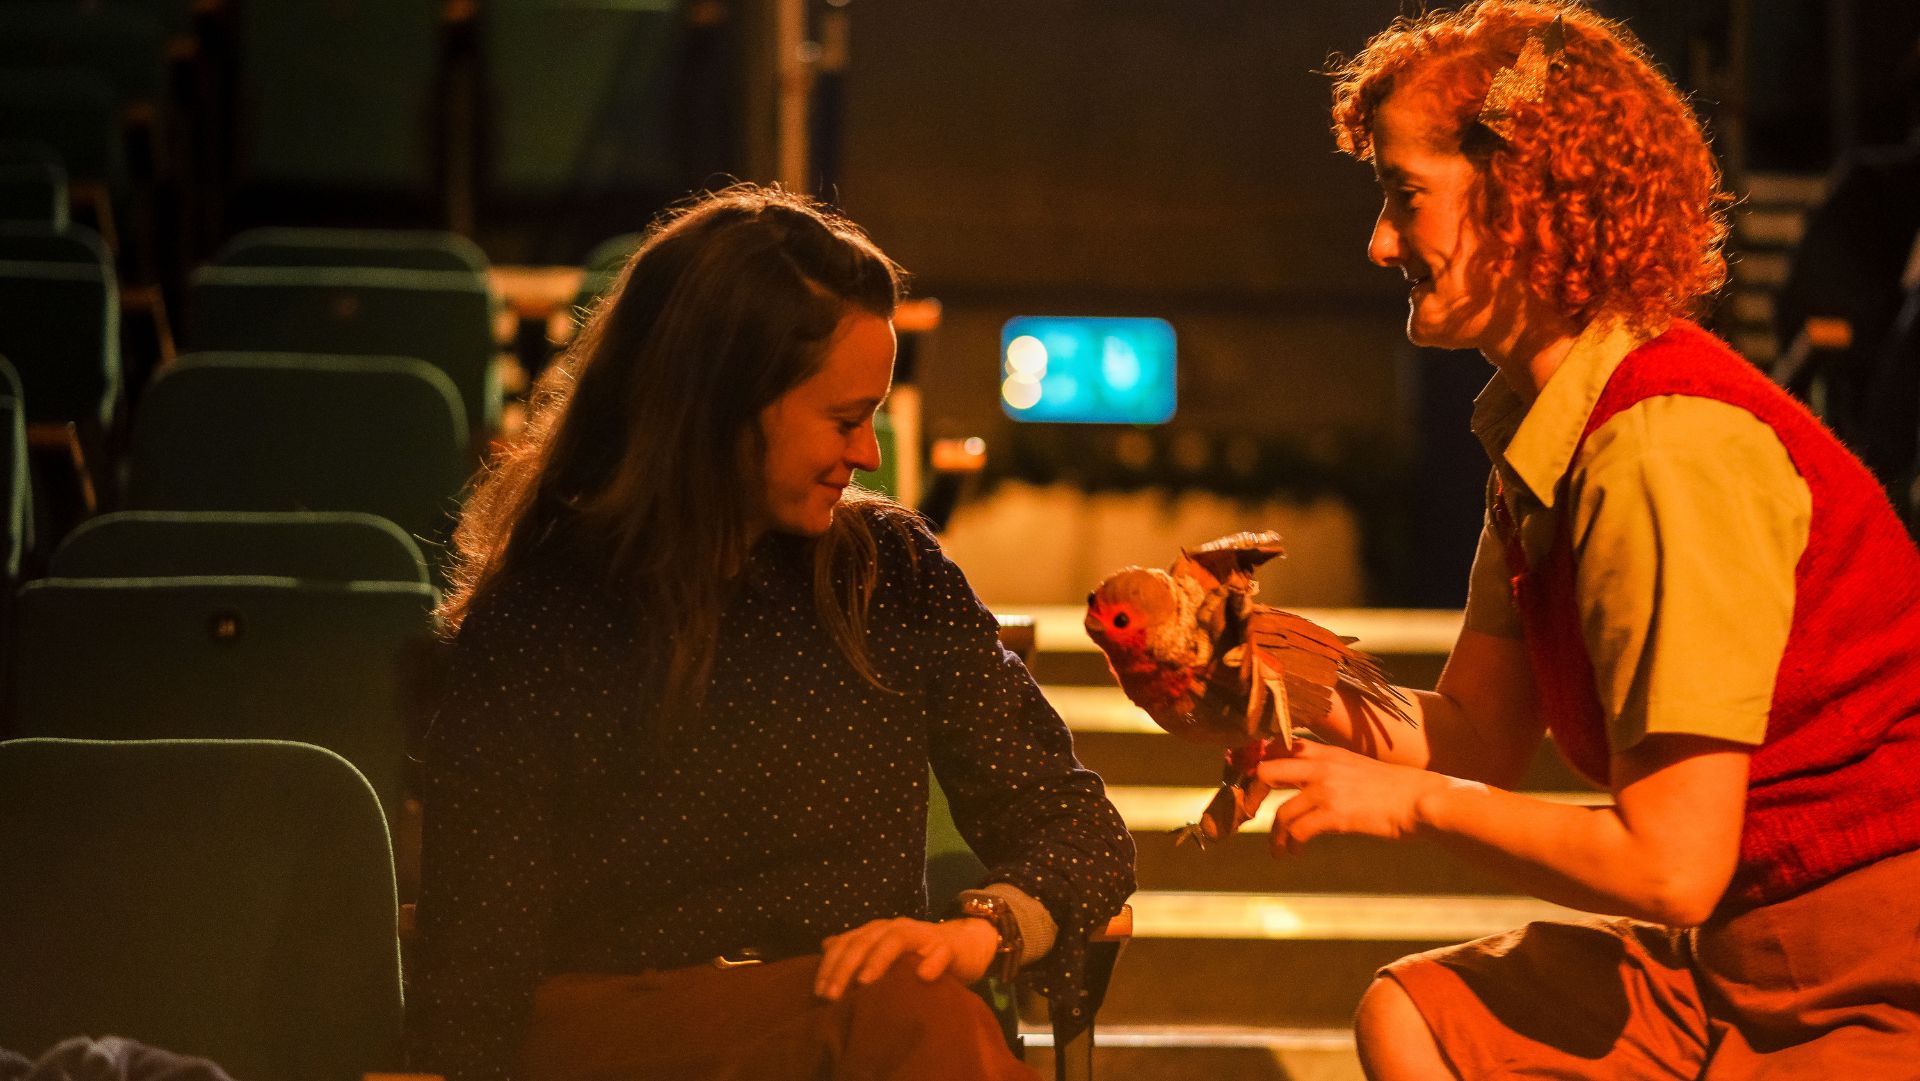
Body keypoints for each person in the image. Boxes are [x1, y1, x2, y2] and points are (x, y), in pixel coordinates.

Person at [1250, 3, 1920, 1078]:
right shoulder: (1548, 427)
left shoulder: (1660, 445)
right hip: (1731, 957)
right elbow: (1474, 729)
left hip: (1869, 975)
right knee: (1421, 1014)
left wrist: (1419, 805)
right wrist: (1255, 668)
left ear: (1520, 202)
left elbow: (1671, 866)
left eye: (1403, 196)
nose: (1379, 242)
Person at [407, 184, 1134, 1081]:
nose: (870, 452)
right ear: (718, 403)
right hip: (620, 1039)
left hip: (854, 1030)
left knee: (921, 1010)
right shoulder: (546, 610)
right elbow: (477, 953)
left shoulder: (888, 572)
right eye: (843, 417)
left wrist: (979, 931)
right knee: (918, 1022)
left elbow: (1080, 828)